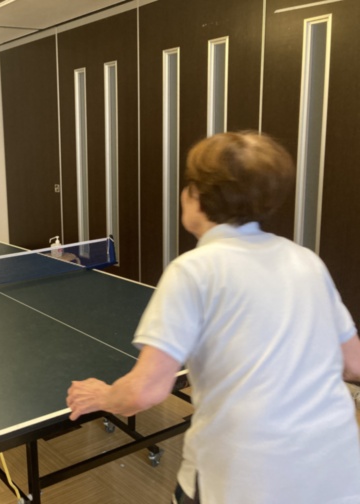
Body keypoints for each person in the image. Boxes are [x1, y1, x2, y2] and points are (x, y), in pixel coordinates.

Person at [66, 131, 360, 504]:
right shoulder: (306, 261)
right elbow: (353, 363)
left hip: (246, 480)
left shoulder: (193, 270)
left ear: (197, 195)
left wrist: (104, 395)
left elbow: (145, 391)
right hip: (337, 469)